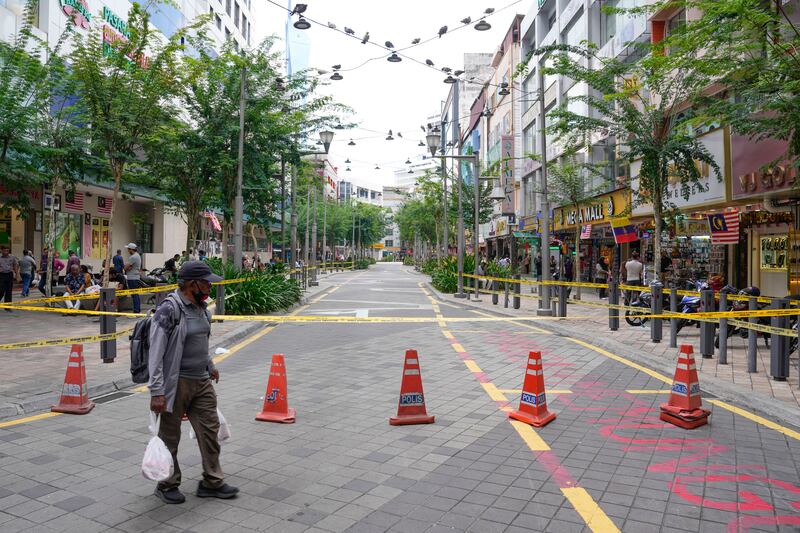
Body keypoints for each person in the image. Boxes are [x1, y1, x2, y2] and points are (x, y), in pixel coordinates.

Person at [148, 260, 238, 504]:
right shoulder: (169, 309)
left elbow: (199, 342)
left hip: (201, 380)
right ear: (192, 284)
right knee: (170, 437)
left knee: (209, 431)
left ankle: (212, 481)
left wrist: (209, 364)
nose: (210, 286)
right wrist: (157, 391)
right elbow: (156, 353)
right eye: (206, 282)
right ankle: (167, 483)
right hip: (175, 384)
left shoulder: (202, 308)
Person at [124, 243, 143, 313]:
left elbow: (125, 267)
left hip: (132, 278)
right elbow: (128, 267)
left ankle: (136, 310)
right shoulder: (138, 255)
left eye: (128, 249)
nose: (127, 251)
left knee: (134, 294)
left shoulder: (133, 257)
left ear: (131, 249)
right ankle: (137, 309)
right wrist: (128, 267)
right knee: (136, 294)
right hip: (136, 277)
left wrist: (127, 267)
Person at [0, 245, 20, 311]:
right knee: (1, 290)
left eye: (8, 251)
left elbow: (15, 266)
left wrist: (17, 275)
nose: (6, 252)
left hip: (9, 275)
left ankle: (7, 307)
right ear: (1, 250)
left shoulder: (12, 257)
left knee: (9, 291)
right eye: (5, 251)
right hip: (1, 275)